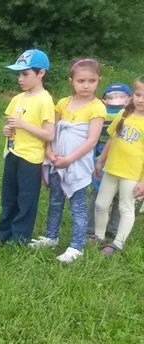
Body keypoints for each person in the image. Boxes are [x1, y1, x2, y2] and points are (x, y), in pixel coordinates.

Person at [28, 58, 106, 262]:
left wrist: (69, 160)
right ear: (71, 81)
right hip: (57, 161)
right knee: (55, 201)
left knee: (77, 206)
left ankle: (76, 246)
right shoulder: (63, 103)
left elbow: (91, 140)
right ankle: (51, 236)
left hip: (76, 164)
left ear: (98, 81)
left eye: (91, 81)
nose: (86, 85)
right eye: (81, 81)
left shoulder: (97, 107)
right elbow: (51, 130)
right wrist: (49, 152)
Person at [0, 49, 55, 244]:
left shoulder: (45, 100)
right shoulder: (17, 99)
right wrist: (7, 130)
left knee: (26, 199)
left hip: (31, 158)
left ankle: (19, 238)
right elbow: (10, 124)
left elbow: (49, 134)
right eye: (18, 74)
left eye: (25, 74)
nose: (20, 79)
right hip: (12, 153)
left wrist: (23, 125)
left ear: (41, 73)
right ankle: (3, 234)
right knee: (9, 197)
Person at [93, 76, 144, 255]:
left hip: (132, 173)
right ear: (132, 96)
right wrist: (100, 160)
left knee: (125, 208)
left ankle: (118, 243)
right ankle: (99, 236)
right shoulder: (124, 114)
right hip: (112, 168)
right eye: (138, 94)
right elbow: (111, 139)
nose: (141, 99)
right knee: (101, 204)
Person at [87, 82, 131, 238]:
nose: (116, 99)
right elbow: (94, 138)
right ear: (104, 99)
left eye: (121, 96)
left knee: (121, 196)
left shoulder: (131, 116)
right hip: (101, 157)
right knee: (98, 193)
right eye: (111, 96)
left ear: (128, 99)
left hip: (124, 162)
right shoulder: (100, 113)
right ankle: (91, 228)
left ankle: (114, 229)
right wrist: (95, 159)